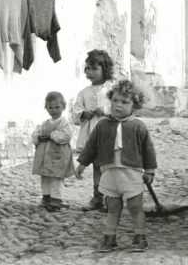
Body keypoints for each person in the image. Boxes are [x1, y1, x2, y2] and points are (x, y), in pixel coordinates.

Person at [75, 80, 157, 253]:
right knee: (112, 207)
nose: (118, 105)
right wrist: (82, 163)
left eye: (125, 102)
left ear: (135, 105)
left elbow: (148, 149)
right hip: (109, 174)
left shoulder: (138, 126)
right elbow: (92, 145)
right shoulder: (102, 125)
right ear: (110, 100)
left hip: (131, 174)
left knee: (135, 206)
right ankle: (109, 237)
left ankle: (140, 237)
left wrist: (150, 170)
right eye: (115, 100)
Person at [72, 49, 114, 211]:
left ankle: (111, 197)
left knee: (108, 166)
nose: (90, 72)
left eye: (94, 68)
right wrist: (84, 113)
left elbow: (119, 107)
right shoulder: (84, 93)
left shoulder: (110, 90)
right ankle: (98, 197)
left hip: (108, 134)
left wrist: (105, 111)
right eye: (88, 68)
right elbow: (75, 113)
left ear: (105, 69)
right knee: (97, 165)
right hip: (91, 134)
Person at [32, 91, 74, 212]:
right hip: (45, 156)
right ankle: (46, 197)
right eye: (50, 107)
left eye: (57, 107)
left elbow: (67, 135)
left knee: (56, 177)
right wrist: (38, 137)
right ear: (46, 108)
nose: (54, 110)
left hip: (58, 155)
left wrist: (52, 135)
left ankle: (56, 200)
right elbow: (36, 134)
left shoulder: (64, 123)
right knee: (45, 177)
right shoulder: (44, 123)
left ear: (63, 107)